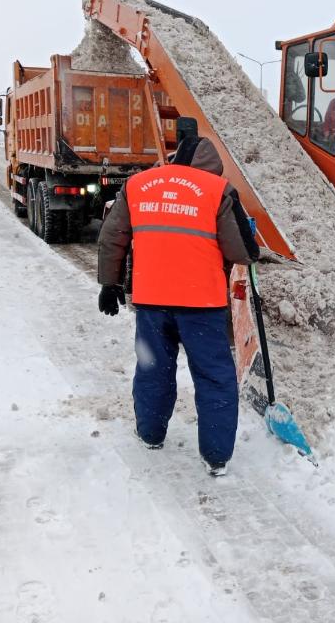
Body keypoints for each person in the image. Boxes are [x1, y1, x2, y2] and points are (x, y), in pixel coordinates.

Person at [96, 117, 260, 477]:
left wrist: (110, 284)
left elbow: (112, 237)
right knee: (214, 377)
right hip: (202, 305)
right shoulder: (218, 190)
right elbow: (242, 252)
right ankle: (216, 457)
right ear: (211, 166)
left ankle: (150, 435)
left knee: (153, 369)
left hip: (151, 301)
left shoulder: (139, 184)